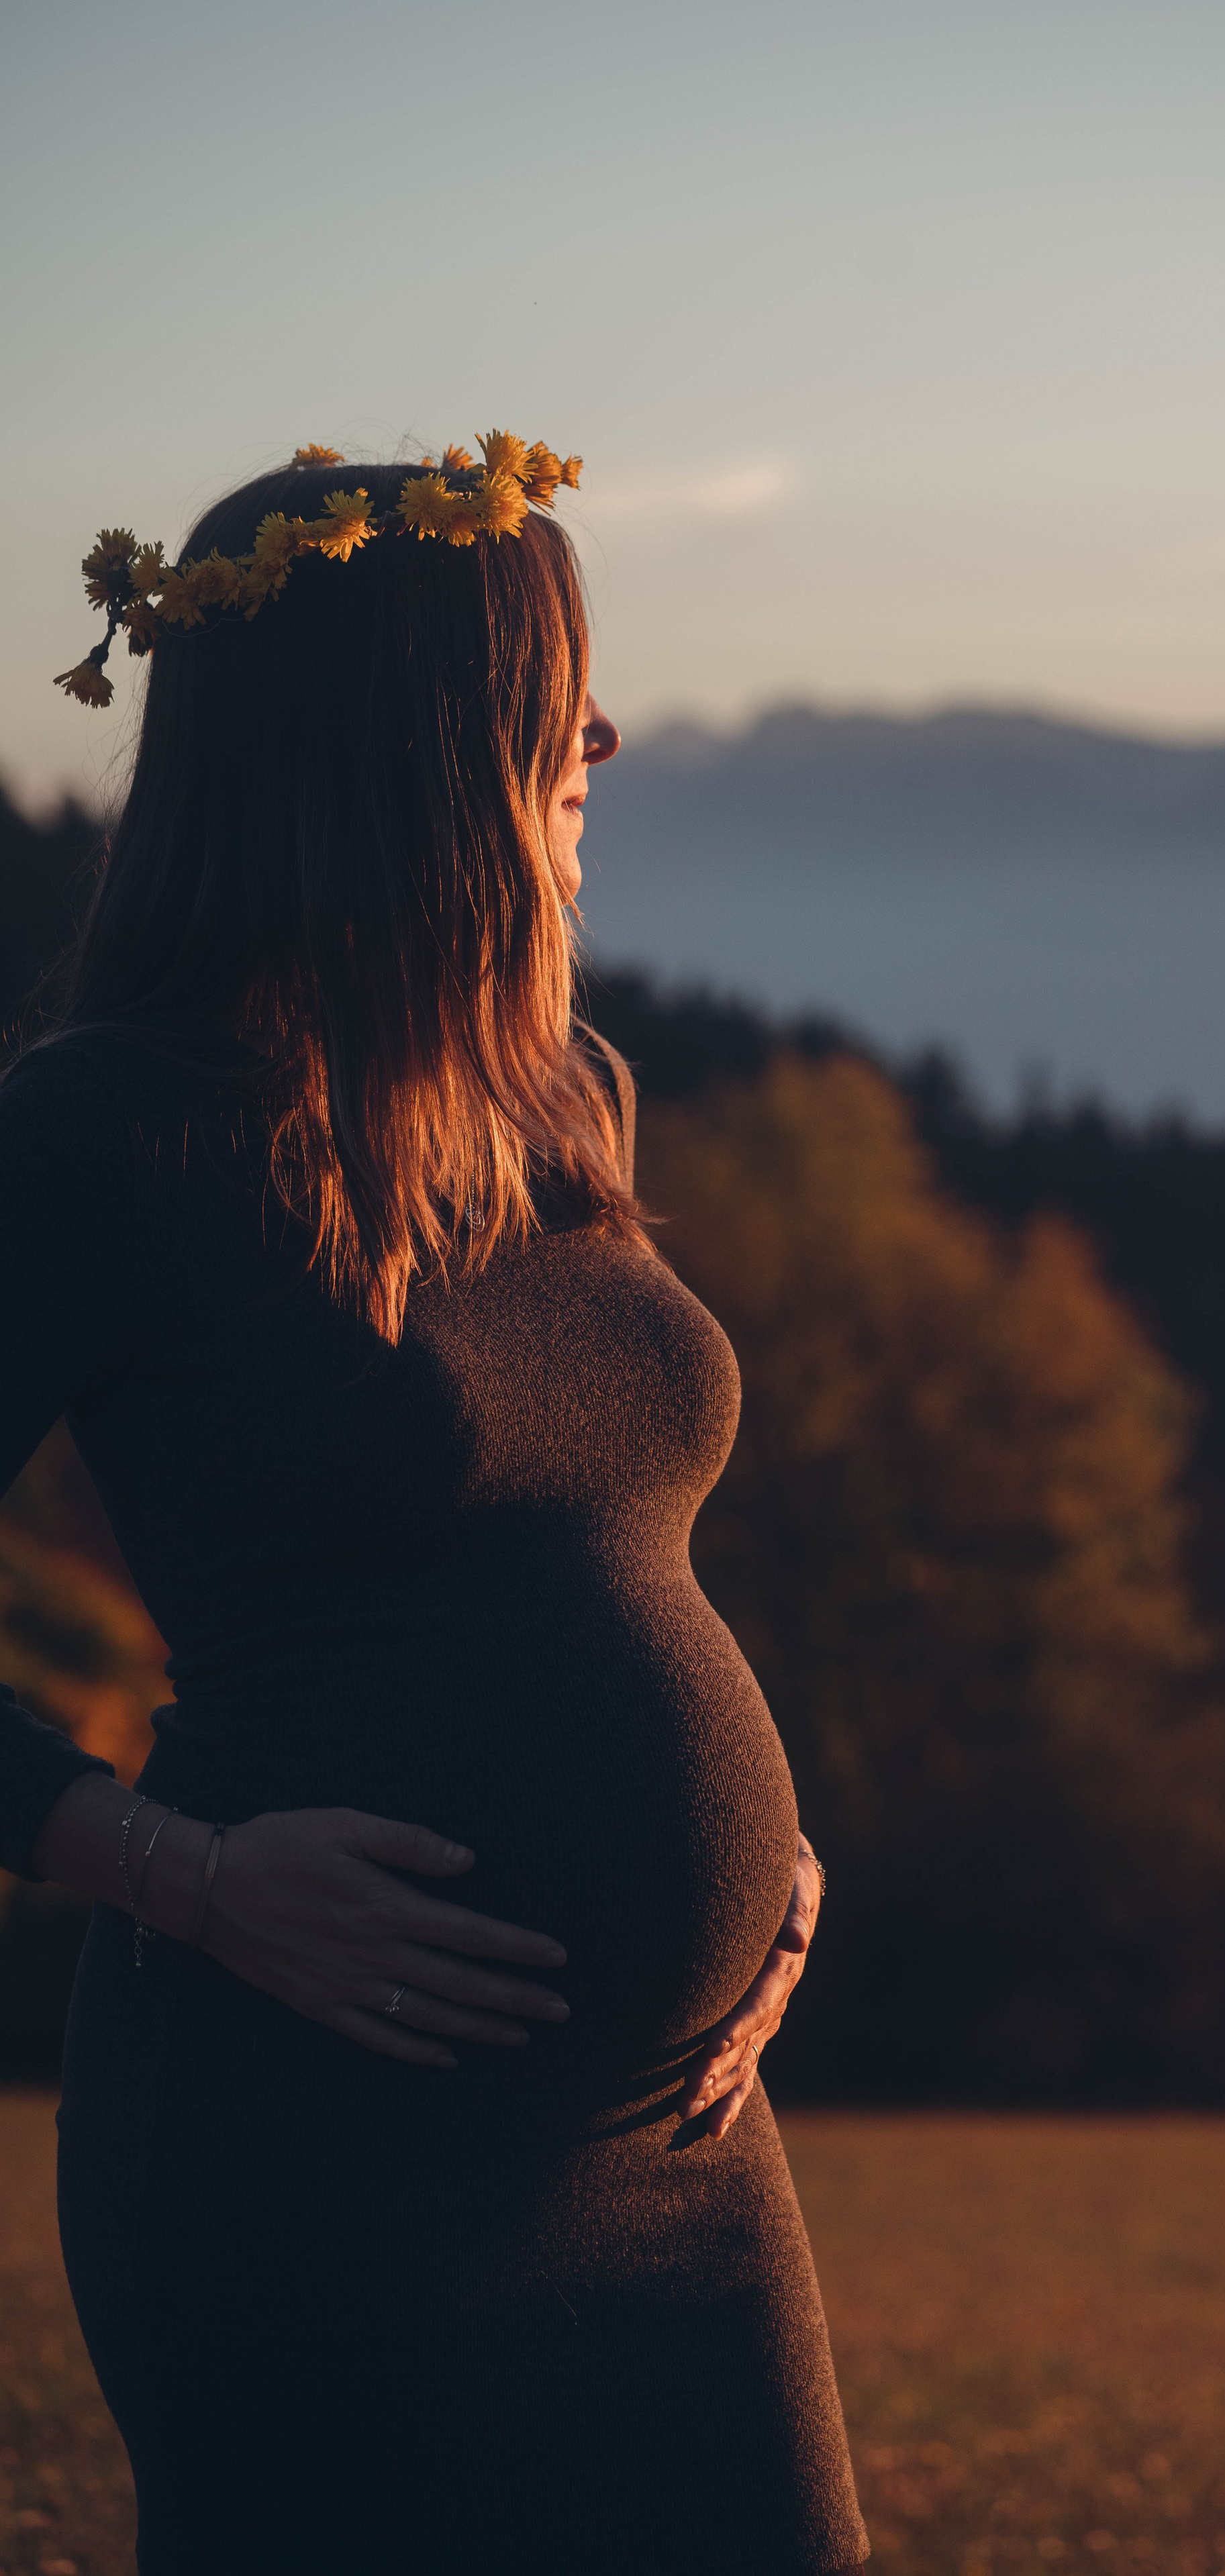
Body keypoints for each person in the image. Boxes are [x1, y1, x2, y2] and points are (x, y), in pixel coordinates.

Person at [2, 438, 870, 2574]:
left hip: (685, 2149)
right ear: (401, 744)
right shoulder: (99, 1130)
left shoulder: (563, 1098)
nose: (601, 743)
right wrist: (171, 1872)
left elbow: (596, 1549)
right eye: (548, 699)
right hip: (308, 2142)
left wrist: (770, 1865)